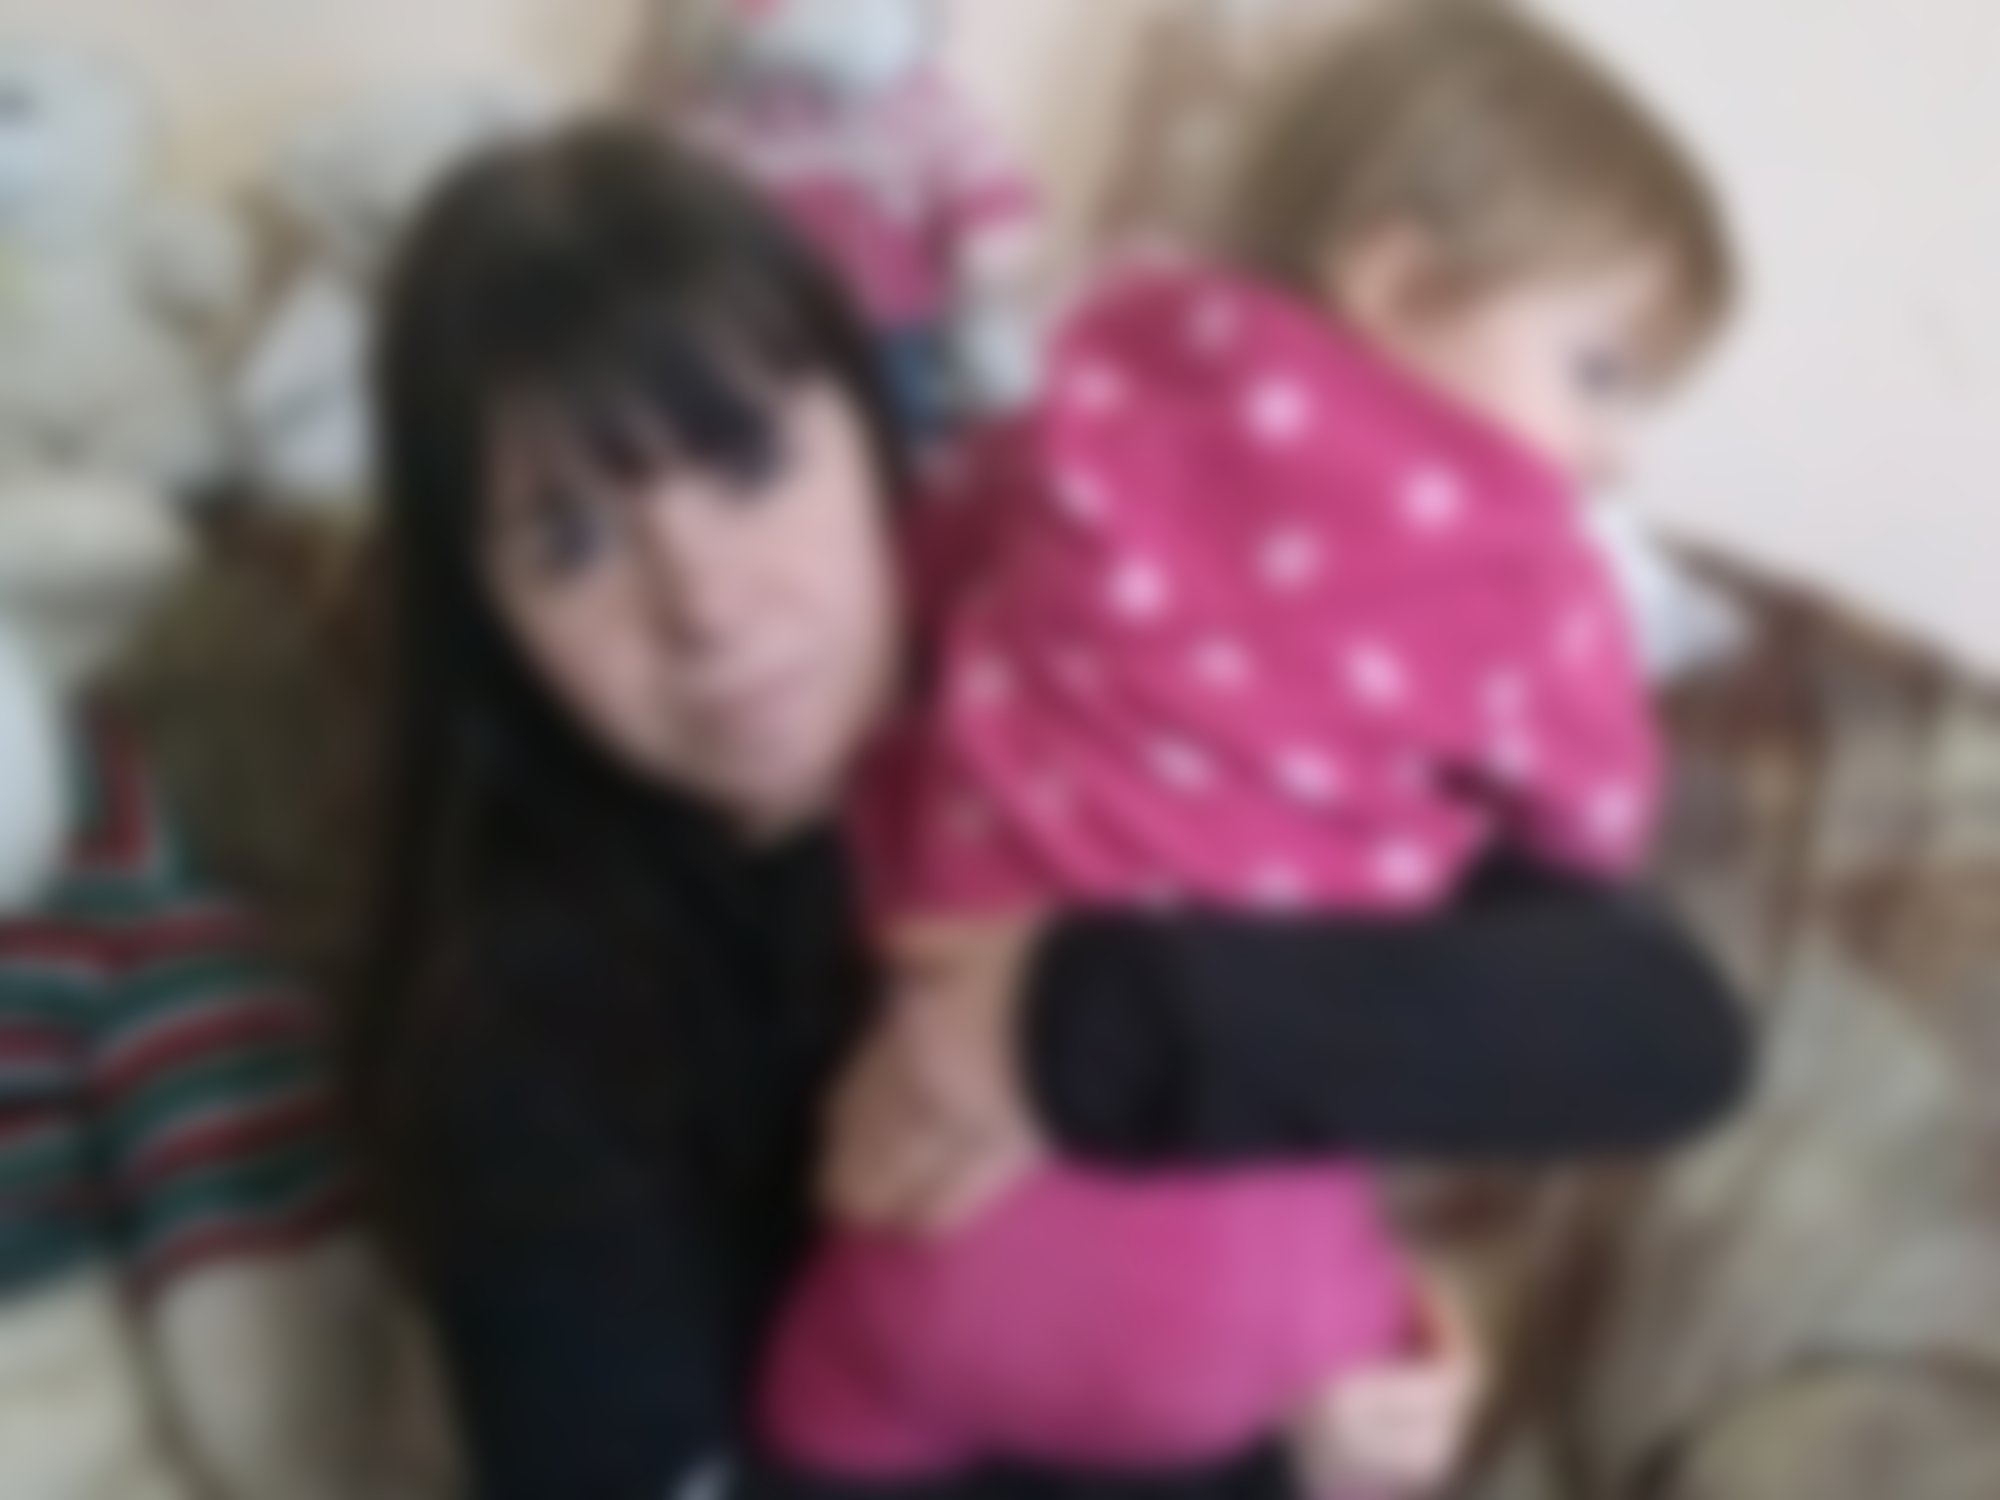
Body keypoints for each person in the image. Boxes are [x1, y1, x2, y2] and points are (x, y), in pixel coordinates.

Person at [347, 122, 1748, 1500]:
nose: (703, 605)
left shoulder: (1098, 656)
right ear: (488, 618)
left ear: (872, 427)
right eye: (573, 540)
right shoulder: (532, 1029)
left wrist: (1070, 1027)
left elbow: (1666, 1031)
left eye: (750, 462)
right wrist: (1260, 1458)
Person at [762, 3, 1736, 1493]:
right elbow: (1597, 825)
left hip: (901, 1225)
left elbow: (921, 585)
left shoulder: (1081, 406)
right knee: (1369, 1357)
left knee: (829, 1404)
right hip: (1212, 1316)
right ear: (1399, 281)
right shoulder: (1523, 568)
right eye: (1597, 372)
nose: (1616, 451)